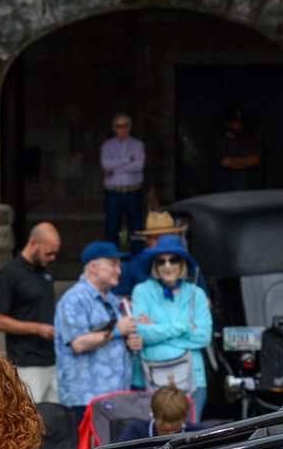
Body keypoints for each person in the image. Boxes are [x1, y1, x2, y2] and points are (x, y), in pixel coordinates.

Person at [130, 235, 213, 420]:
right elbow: (141, 333)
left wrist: (157, 329)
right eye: (161, 261)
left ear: (182, 263)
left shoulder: (196, 294)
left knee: (189, 439)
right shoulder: (142, 291)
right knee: (155, 438)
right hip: (151, 377)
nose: (167, 266)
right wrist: (184, 326)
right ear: (155, 265)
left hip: (193, 379)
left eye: (173, 260)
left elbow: (204, 336)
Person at [53, 240, 138, 414]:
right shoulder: (74, 299)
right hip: (86, 399)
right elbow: (78, 344)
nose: (119, 271)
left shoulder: (112, 299)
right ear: (93, 266)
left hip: (115, 395)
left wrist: (131, 342)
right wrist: (116, 331)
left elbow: (118, 335)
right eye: (113, 265)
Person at [0, 222, 61, 404]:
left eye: (55, 253)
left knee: (57, 419)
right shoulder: (10, 273)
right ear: (33, 243)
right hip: (26, 361)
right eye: (48, 252)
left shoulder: (45, 272)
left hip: (52, 358)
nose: (52, 258)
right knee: (30, 417)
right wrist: (36, 328)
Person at [98, 113, 146, 247]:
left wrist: (115, 168)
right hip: (113, 192)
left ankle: (138, 261)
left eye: (125, 125)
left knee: (137, 230)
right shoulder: (107, 146)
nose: (122, 129)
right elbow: (105, 165)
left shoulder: (138, 145)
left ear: (130, 127)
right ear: (113, 128)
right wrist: (127, 160)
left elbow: (139, 165)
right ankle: (111, 262)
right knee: (112, 229)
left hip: (133, 191)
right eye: (118, 126)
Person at [213, 110, 261, 193]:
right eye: (235, 121)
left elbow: (255, 160)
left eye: (240, 122)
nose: (239, 124)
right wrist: (245, 162)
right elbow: (226, 162)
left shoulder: (245, 142)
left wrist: (235, 161)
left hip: (244, 189)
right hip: (226, 190)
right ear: (227, 123)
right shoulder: (220, 141)